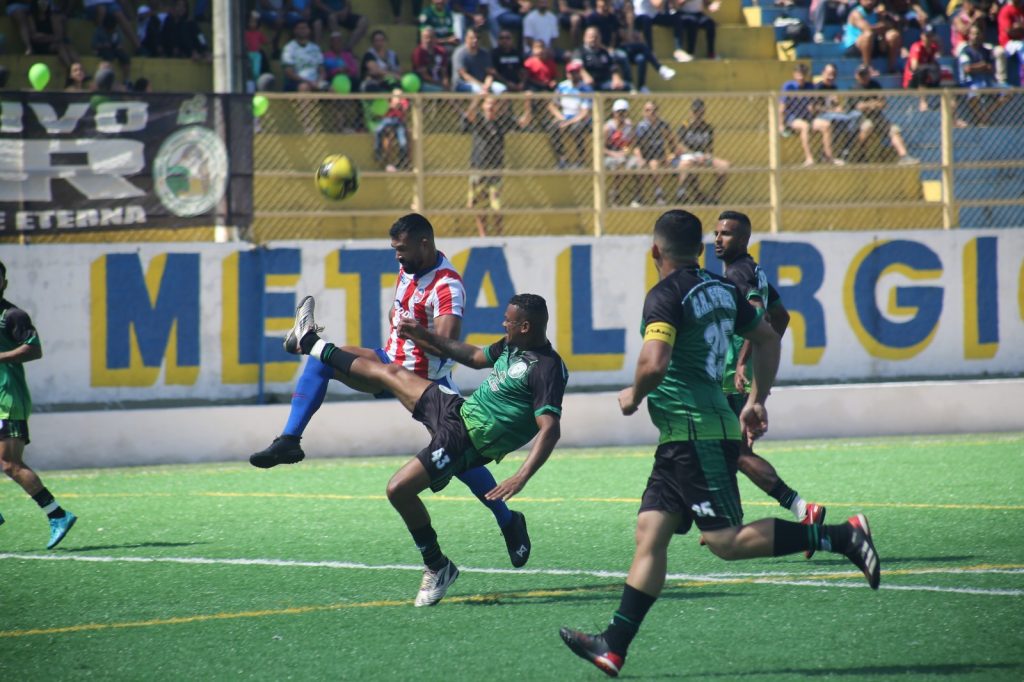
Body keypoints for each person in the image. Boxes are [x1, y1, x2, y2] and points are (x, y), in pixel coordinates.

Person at [558, 210, 881, 676]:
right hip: (683, 437)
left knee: (725, 542)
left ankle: (841, 536)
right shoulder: (722, 287)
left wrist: (633, 394)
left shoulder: (665, 294)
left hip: (697, 435)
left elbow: (654, 363)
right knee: (650, 533)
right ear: (702, 249)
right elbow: (769, 336)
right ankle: (613, 644)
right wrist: (756, 399)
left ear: (655, 251)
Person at [249, 215, 533, 569]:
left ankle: (508, 521)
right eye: (395, 250)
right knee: (321, 363)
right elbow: (402, 313)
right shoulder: (410, 268)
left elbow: (446, 344)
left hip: (426, 384)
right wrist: (398, 321)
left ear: (424, 244)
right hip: (389, 364)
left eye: (402, 250)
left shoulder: (448, 286)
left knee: (462, 461)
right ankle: (290, 439)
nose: (397, 257)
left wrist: (414, 332)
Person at [283, 290, 568, 606]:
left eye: (509, 321)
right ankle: (307, 341)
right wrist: (422, 336)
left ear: (525, 326)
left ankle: (437, 565)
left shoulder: (547, 369)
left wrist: (521, 476)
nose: (504, 324)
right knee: (391, 373)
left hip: (463, 441)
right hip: (456, 410)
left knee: (398, 490)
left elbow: (550, 429)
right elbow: (474, 357)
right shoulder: (512, 346)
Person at [713, 212, 824, 541]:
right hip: (736, 377)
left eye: (727, 234)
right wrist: (765, 352)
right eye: (717, 233)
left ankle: (802, 509)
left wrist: (745, 361)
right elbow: (782, 316)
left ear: (744, 239)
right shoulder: (754, 269)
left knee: (736, 453)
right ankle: (729, 517)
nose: (719, 239)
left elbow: (759, 314)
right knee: (728, 450)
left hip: (730, 377)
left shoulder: (738, 272)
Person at [0, 260, 77, 550]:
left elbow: (34, 349)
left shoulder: (12, 315)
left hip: (7, 399)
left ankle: (57, 515)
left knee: (11, 464)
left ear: (4, 283)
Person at [463, 94, 533, 236]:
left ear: (498, 107)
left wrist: (527, 103)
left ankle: (499, 234)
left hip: (496, 170)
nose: (490, 107)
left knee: (497, 207)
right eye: (488, 104)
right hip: (478, 169)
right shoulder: (479, 119)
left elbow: (523, 122)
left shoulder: (502, 121)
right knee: (479, 206)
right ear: (483, 106)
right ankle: (483, 235)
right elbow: (469, 115)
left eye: (493, 104)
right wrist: (477, 99)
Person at [849, 65, 920, 164]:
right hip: (862, 118)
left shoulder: (875, 85)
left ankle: (904, 156)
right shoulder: (854, 88)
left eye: (865, 74)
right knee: (867, 127)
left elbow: (883, 103)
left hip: (878, 118)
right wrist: (873, 104)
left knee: (894, 130)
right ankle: (859, 155)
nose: (864, 77)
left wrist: (869, 105)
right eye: (861, 75)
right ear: (857, 76)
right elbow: (859, 106)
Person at [674, 98, 730, 204]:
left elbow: (709, 148)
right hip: (688, 155)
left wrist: (705, 156)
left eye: (700, 112)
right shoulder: (685, 126)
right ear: (691, 112)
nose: (697, 114)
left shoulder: (707, 127)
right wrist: (693, 154)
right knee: (686, 164)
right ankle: (681, 192)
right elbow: (679, 146)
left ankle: (714, 196)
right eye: (695, 111)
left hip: (703, 156)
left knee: (724, 165)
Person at [547, 60, 594, 168]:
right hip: (565, 117)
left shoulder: (586, 89)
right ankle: (562, 159)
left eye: (575, 72)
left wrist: (568, 122)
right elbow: (552, 105)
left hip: (581, 119)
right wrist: (561, 118)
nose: (573, 75)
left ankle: (581, 160)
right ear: (567, 74)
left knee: (576, 128)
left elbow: (585, 112)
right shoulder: (562, 86)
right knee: (552, 127)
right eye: (571, 72)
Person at [632, 100, 675, 205]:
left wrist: (671, 156)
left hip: (659, 155)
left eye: (653, 110)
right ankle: (639, 195)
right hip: (645, 155)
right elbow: (636, 146)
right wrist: (640, 159)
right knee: (643, 165)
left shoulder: (663, 125)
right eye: (648, 110)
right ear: (644, 112)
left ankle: (659, 194)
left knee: (654, 164)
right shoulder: (641, 127)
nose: (651, 113)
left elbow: (672, 142)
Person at [842, 0, 902, 74]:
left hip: (873, 43)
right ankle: (867, 68)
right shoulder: (856, 13)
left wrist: (882, 17)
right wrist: (882, 26)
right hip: (855, 46)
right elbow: (866, 28)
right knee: (868, 35)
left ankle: (891, 68)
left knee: (893, 35)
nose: (869, 1)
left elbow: (888, 25)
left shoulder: (877, 13)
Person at [778, 64, 820, 167]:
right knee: (804, 126)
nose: (800, 78)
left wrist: (813, 109)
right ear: (794, 75)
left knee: (825, 125)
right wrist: (781, 125)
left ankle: (829, 157)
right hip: (792, 118)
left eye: (803, 75)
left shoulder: (810, 87)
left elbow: (814, 104)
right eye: (798, 75)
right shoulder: (788, 86)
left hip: (807, 117)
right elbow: (782, 107)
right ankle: (809, 158)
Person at [604, 98, 641, 206]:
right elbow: (601, 148)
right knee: (620, 162)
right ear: (614, 113)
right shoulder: (608, 127)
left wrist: (629, 152)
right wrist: (615, 154)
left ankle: (637, 196)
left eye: (624, 112)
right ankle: (615, 194)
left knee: (636, 164)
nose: (621, 114)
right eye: (619, 112)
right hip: (610, 156)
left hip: (624, 155)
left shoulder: (629, 126)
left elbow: (633, 143)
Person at [452, 27, 506, 93]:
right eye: (472, 38)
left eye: (477, 38)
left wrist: (487, 85)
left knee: (501, 88)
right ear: (466, 38)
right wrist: (481, 85)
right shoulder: (460, 53)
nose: (475, 40)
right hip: (463, 84)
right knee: (477, 89)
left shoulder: (485, 53)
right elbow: (463, 74)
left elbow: (490, 73)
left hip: (483, 84)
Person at [904, 23, 942, 111]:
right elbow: (914, 67)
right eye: (927, 36)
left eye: (931, 36)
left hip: (926, 78)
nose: (928, 39)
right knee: (922, 71)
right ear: (922, 36)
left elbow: (933, 62)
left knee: (936, 69)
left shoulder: (933, 47)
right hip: (912, 79)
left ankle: (938, 99)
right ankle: (923, 101)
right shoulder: (917, 47)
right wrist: (929, 67)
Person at [282, 20, 326, 91]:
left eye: (305, 28)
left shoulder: (315, 48)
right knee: (304, 87)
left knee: (331, 88)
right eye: (300, 28)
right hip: (298, 82)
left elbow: (322, 70)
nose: (302, 30)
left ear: (309, 30)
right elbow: (289, 72)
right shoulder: (289, 48)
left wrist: (319, 81)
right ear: (295, 31)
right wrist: (308, 82)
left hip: (316, 81)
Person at [412, 26, 451, 92]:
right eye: (425, 37)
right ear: (421, 39)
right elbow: (424, 75)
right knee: (441, 91)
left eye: (431, 37)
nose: (428, 40)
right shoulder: (418, 52)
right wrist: (439, 84)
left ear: (435, 38)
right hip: (424, 84)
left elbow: (444, 71)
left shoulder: (441, 51)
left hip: (439, 83)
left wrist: (445, 80)